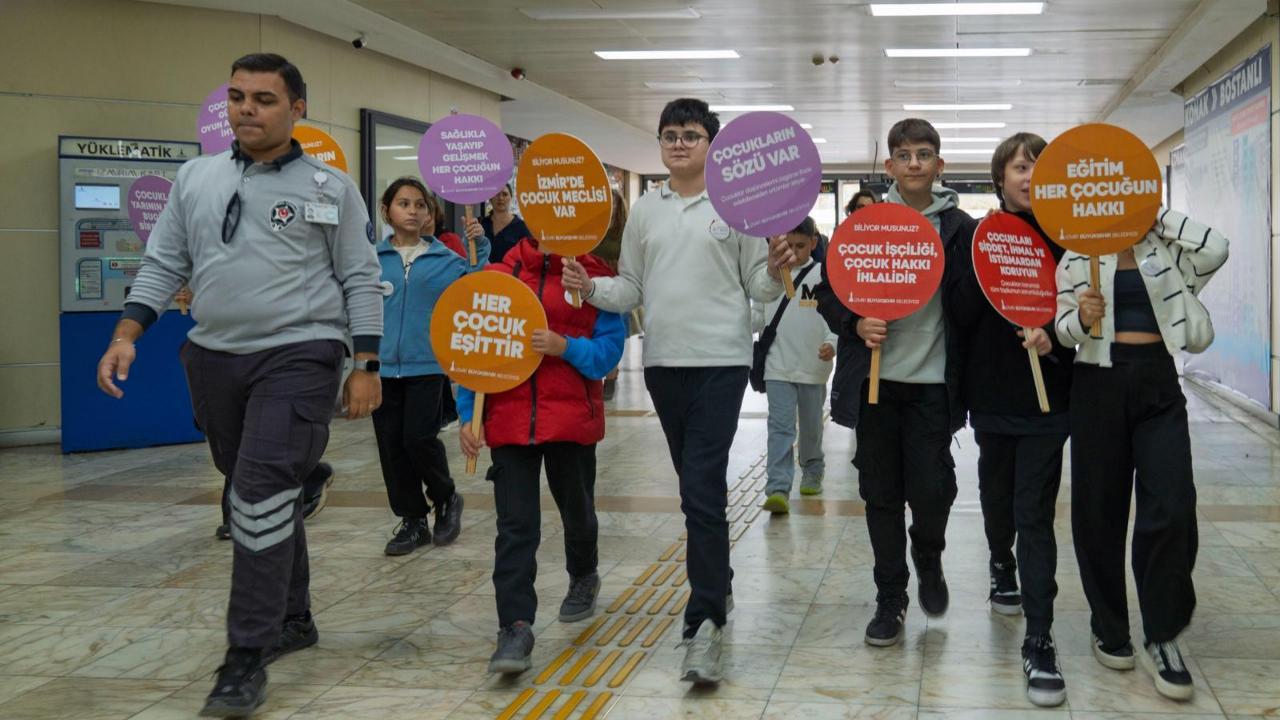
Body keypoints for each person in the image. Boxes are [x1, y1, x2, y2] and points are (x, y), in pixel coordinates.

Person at [95, 53, 382, 717]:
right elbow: (165, 262)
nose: (247, 109)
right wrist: (125, 336)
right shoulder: (194, 178)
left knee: (253, 496)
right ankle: (294, 616)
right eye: (237, 97)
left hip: (301, 353)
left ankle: (245, 657)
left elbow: (361, 277)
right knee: (256, 487)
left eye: (263, 99)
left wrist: (365, 364)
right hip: (214, 357)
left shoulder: (328, 187)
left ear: (296, 109)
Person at [562, 98, 794, 684]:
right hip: (664, 366)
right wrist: (590, 287)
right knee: (699, 488)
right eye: (670, 135)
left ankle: (705, 619)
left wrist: (774, 265)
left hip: (721, 363)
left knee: (700, 491)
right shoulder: (645, 211)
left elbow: (759, 290)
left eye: (691, 135)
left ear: (712, 145)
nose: (679, 144)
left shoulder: (736, 206)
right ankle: (720, 585)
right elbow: (631, 287)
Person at [814, 118, 976, 648]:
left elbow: (975, 300)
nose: (913, 163)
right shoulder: (867, 224)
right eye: (903, 155)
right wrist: (855, 323)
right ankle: (891, 596)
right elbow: (831, 291)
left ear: (939, 165)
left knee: (932, 491)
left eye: (924, 154)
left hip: (932, 384)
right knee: (880, 494)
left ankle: (928, 553)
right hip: (876, 386)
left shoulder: (960, 228)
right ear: (889, 166)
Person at [1056, 206, 1227, 701]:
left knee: (1172, 506)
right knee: (1098, 512)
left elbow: (1217, 247)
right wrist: (1081, 319)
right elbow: (1062, 329)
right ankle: (1108, 626)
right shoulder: (1077, 257)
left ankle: (1163, 632)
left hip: (1157, 382)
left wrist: (1157, 215)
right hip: (1096, 385)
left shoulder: (1165, 248)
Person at [457, 237, 624, 675]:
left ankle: (584, 573)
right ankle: (514, 627)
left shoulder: (596, 279)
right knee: (515, 526)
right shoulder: (497, 276)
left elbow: (609, 352)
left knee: (577, 509)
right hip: (510, 423)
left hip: (570, 421)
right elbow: (474, 347)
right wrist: (466, 416)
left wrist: (564, 346)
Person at [946, 132, 1072, 707]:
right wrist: (987, 276)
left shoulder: (1071, 237)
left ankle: (1040, 638)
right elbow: (960, 315)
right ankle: (1001, 559)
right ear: (1000, 178)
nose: (1028, 176)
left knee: (1036, 514)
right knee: (997, 497)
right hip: (994, 394)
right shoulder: (978, 236)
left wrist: (1057, 338)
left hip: (1052, 399)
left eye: (1039, 167)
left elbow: (1085, 320)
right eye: (1019, 167)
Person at [374, 177, 489, 555]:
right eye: (403, 204)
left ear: (431, 213)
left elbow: (474, 285)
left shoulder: (445, 260)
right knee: (392, 447)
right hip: (382, 369)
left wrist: (479, 245)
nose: (412, 211)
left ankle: (446, 496)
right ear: (387, 210)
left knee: (418, 439)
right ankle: (412, 520)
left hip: (427, 366)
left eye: (420, 205)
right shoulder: (372, 261)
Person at [751, 217, 836, 512]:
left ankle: (813, 467)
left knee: (811, 425)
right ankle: (777, 486)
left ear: (814, 242)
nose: (794, 252)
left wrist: (832, 344)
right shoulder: (770, 276)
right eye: (789, 245)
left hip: (813, 367)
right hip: (777, 366)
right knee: (780, 427)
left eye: (801, 246)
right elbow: (758, 316)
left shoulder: (824, 275)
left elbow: (834, 319)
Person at [593, 188, 631, 400]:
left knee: (613, 332)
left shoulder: (624, 231)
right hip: (593, 285)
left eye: (613, 203)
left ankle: (611, 375)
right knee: (594, 331)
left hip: (616, 286)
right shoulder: (592, 229)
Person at [479, 183, 531, 265]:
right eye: (496, 194)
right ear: (490, 198)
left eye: (505, 194)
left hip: (510, 275)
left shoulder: (522, 227)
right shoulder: (480, 224)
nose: (500, 198)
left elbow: (528, 257)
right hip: (483, 274)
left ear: (511, 198)